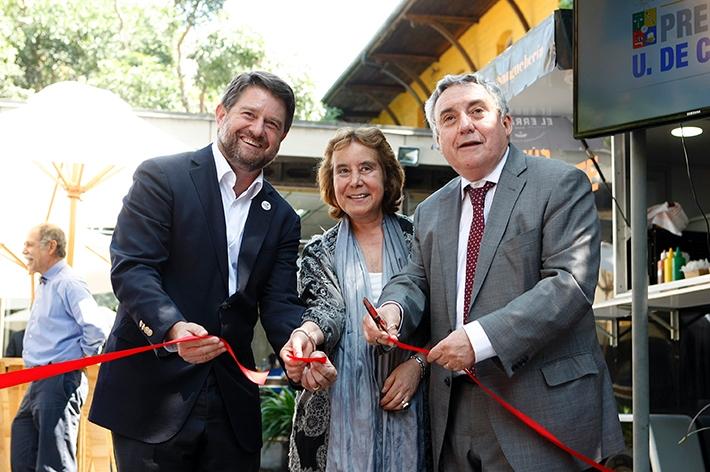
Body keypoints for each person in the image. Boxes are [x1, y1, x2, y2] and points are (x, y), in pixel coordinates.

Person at [362, 73, 625, 471]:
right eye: (448, 118)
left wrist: (478, 339)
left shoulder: (561, 184)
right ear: (438, 140)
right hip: (454, 412)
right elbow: (415, 279)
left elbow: (568, 284)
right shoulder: (430, 211)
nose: (464, 124)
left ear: (506, 123)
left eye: (477, 111)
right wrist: (394, 309)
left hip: (542, 411)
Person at [89, 71, 305, 471]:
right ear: (221, 112)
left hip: (232, 402)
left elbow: (279, 304)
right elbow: (133, 268)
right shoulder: (161, 177)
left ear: (281, 137)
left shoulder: (284, 217)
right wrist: (172, 328)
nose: (258, 130)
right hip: (152, 395)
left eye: (272, 124)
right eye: (249, 115)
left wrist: (298, 345)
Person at [281, 127, 430, 472]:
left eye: (366, 168)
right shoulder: (320, 252)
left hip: (414, 408)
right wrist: (305, 338)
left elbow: (447, 321)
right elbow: (325, 311)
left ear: (388, 175)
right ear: (331, 182)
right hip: (337, 417)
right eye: (342, 171)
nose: (355, 181)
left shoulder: (421, 240)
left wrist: (419, 367)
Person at [11, 223, 109, 472]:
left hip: (59, 378)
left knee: (53, 464)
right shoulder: (47, 285)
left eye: (29, 244)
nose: (24, 250)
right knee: (23, 455)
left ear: (51, 246)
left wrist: (81, 357)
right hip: (38, 380)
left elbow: (95, 328)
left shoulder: (68, 282)